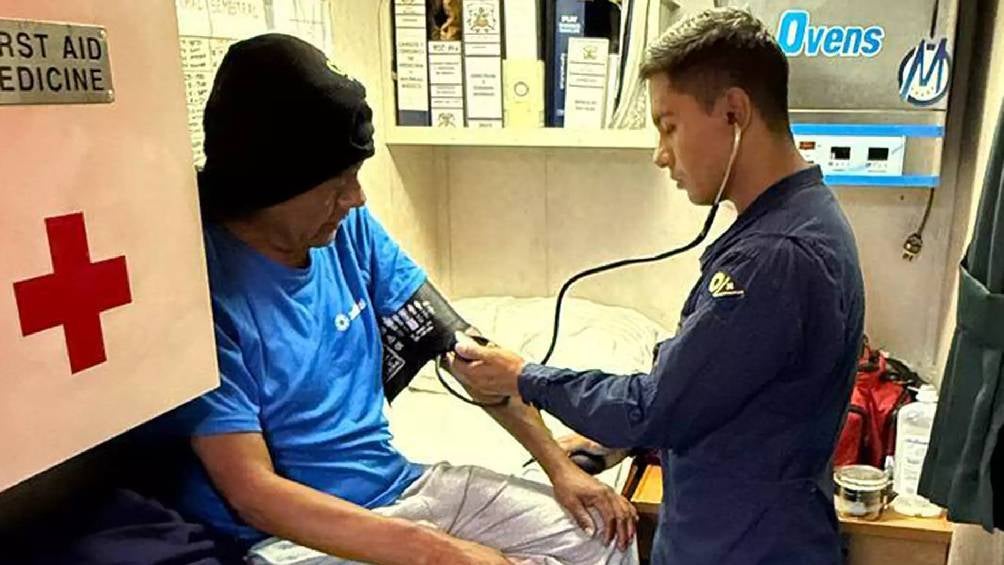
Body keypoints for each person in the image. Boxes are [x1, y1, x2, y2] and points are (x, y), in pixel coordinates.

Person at [171, 34, 638, 565]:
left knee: (602, 535)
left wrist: (559, 466)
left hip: (399, 487)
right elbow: (253, 493)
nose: (356, 198)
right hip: (294, 539)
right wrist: (438, 552)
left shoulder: (345, 230)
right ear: (270, 183)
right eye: (338, 183)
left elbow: (465, 353)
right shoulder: (204, 290)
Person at [449, 8, 865, 565]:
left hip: (742, 547)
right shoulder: (802, 218)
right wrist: (618, 441)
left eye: (669, 126)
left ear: (734, 113)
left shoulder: (773, 257)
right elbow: (720, 393)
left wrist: (524, 377)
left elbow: (655, 406)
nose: (660, 153)